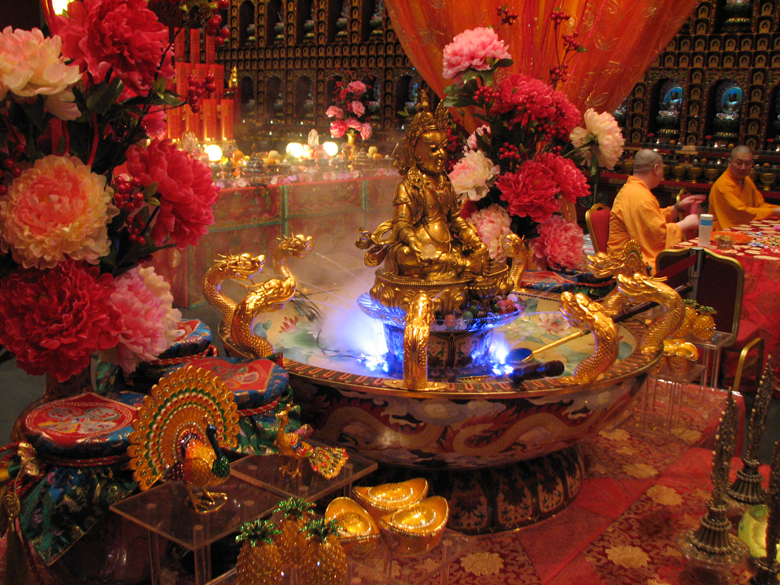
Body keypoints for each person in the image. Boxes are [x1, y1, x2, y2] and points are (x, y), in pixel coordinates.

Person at [357, 90, 488, 280]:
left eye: (443, 147)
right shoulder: (408, 186)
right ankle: (461, 266)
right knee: (403, 256)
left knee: (481, 250)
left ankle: (459, 263)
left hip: (446, 246)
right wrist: (414, 242)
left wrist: (470, 237)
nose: (441, 153)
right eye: (434, 149)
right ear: (417, 153)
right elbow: (401, 224)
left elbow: (454, 218)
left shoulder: (445, 182)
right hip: (420, 251)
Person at [608, 149, 704, 273]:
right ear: (656, 168)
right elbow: (656, 237)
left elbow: (651, 221)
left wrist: (677, 208)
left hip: (631, 257)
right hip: (630, 265)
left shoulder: (634, 189)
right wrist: (686, 224)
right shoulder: (639, 195)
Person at [708, 146, 780, 229]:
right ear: (729, 162)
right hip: (722, 231)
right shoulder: (723, 185)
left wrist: (776, 209)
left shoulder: (746, 179)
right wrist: (773, 212)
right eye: (739, 163)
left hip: (745, 228)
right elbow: (740, 212)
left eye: (748, 164)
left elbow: (758, 205)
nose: (743, 168)